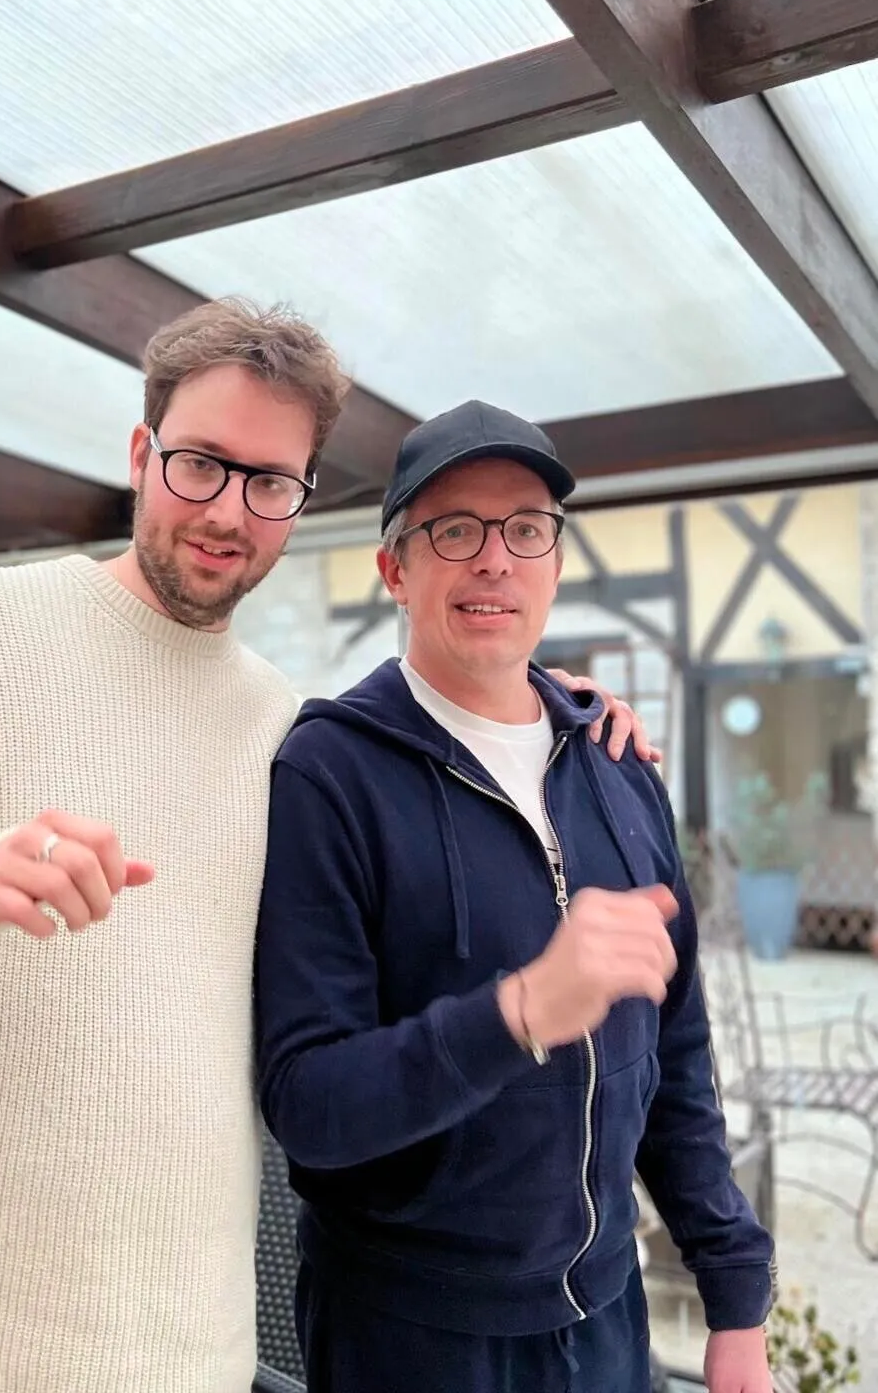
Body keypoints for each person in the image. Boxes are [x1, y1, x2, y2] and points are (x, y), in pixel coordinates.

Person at [0, 305, 655, 1393]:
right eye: (201, 464)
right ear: (140, 454)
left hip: (192, 1352)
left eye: (269, 482)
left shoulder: (285, 732)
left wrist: (553, 717)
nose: (228, 510)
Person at [252, 399, 776, 1393]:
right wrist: (521, 1011)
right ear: (395, 569)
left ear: (555, 561)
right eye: (454, 529)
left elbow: (675, 1052)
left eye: (525, 528)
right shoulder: (327, 775)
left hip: (607, 1317)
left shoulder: (616, 765)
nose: (494, 559)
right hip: (409, 1332)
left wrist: (734, 1291)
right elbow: (307, 1103)